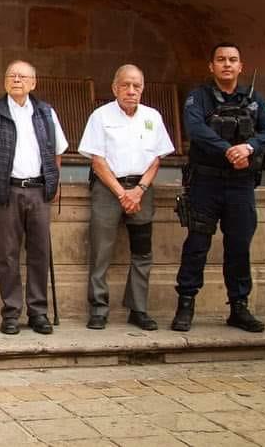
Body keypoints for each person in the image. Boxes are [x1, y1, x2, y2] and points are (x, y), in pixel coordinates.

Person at [172, 43, 265, 332]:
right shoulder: (199, 97)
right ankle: (185, 304)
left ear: (241, 66)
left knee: (239, 245)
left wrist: (249, 147)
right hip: (206, 183)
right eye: (221, 60)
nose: (227, 64)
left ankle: (239, 308)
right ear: (211, 66)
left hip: (241, 186)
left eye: (232, 60)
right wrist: (229, 151)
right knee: (197, 244)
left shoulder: (255, 99)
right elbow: (196, 131)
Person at [0, 60, 68, 335]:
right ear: (4, 82)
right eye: (11, 76)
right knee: (7, 255)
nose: (17, 80)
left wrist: (53, 180)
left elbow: (57, 151)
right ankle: (11, 313)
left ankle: (38, 313)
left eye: (23, 76)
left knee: (39, 253)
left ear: (34, 83)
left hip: (38, 191)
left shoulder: (46, 112)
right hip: (5, 191)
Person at [78, 65, 175, 331]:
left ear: (143, 88)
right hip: (109, 190)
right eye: (125, 85)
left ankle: (139, 308)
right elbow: (97, 160)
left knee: (142, 251)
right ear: (114, 88)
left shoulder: (152, 116)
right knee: (101, 250)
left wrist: (139, 190)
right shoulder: (100, 116)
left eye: (136, 86)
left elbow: (157, 158)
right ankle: (98, 309)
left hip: (141, 190)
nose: (131, 91)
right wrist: (122, 194)